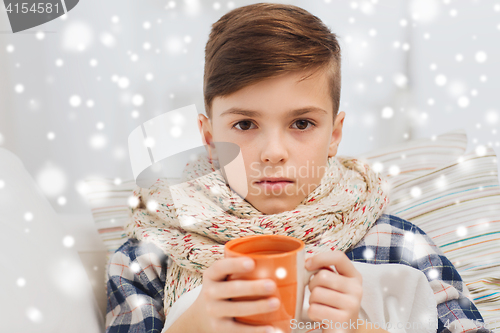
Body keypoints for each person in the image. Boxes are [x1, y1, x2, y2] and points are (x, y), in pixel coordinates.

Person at [105, 3, 491, 333]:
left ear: (335, 135)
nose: (273, 152)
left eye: (302, 124)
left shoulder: (399, 247)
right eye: (244, 125)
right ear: (208, 137)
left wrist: (359, 326)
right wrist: (194, 323)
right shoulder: (147, 257)